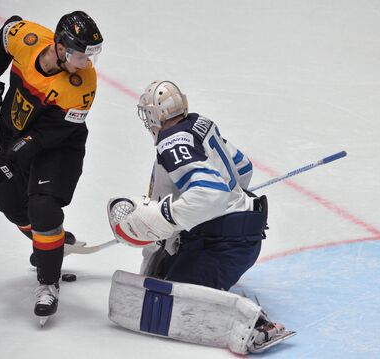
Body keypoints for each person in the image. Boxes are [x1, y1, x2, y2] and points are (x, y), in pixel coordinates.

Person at [106, 80, 295, 353]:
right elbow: (243, 168)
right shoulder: (200, 124)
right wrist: (230, 197)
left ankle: (257, 325)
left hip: (224, 244)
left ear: (154, 115)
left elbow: (210, 195)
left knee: (176, 304)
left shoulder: (171, 142)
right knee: (158, 278)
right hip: (236, 236)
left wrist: (163, 216)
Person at [0, 11, 103, 323]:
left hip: (58, 146)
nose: (86, 63)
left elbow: (42, 138)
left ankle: (48, 282)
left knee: (42, 206)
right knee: (9, 204)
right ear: (59, 47)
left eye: (91, 56)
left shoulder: (81, 86)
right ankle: (54, 243)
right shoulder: (29, 39)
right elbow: (6, 32)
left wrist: (2, 163)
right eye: (79, 55)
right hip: (17, 136)